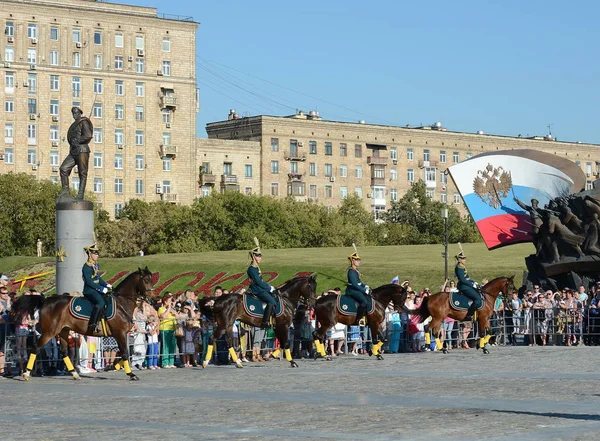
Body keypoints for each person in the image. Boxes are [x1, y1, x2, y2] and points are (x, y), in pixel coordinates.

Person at [60, 106, 93, 200]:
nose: (74, 115)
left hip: (82, 150)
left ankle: (80, 194)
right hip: (73, 151)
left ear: (79, 113)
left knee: (82, 173)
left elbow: (88, 135)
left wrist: (78, 140)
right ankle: (65, 191)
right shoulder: (74, 124)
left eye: (76, 113)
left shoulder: (84, 122)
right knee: (63, 168)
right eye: (73, 113)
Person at [81, 243, 111, 333]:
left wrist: (106, 285)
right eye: (95, 253)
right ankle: (92, 324)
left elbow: (98, 278)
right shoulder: (86, 267)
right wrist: (100, 289)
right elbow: (89, 282)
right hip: (89, 290)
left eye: (97, 253)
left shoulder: (96, 265)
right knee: (100, 302)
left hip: (96, 289)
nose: (97, 255)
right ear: (90, 255)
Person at [246, 243, 276, 329]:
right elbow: (258, 282)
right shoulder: (252, 269)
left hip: (260, 288)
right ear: (254, 256)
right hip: (257, 289)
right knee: (271, 301)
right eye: (259, 256)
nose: (260, 258)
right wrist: (269, 287)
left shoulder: (256, 267)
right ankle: (265, 322)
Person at [454, 250, 481, 322]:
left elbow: (467, 277)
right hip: (464, 286)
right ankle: (469, 315)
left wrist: (473, 282)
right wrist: (471, 284)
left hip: (466, 285)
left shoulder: (462, 266)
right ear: (459, 259)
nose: (465, 260)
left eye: (465, 258)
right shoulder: (459, 267)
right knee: (478, 299)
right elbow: (462, 279)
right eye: (463, 258)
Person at [346, 250, 370, 325]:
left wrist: (365, 285)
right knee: (364, 301)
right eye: (357, 260)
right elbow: (355, 284)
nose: (359, 261)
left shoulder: (356, 270)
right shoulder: (351, 271)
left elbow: (359, 282)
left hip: (356, 289)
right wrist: (364, 290)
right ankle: (359, 319)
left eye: (359, 260)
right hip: (352, 290)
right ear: (353, 261)